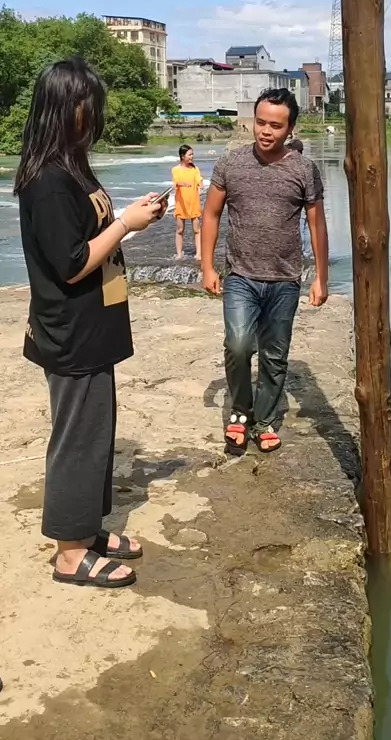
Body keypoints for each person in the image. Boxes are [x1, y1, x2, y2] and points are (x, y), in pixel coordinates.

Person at [14, 57, 168, 589]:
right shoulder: (49, 181)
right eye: (89, 105)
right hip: (70, 332)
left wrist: (130, 215)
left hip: (92, 328)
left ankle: (86, 530)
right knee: (77, 439)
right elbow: (73, 262)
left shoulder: (72, 168)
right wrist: (127, 224)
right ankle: (69, 553)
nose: (96, 114)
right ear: (65, 109)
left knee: (97, 434)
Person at [201, 88, 328, 456]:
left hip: (285, 280)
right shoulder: (231, 164)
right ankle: (241, 410)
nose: (266, 131)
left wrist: (321, 277)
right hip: (240, 276)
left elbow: (317, 224)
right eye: (260, 122)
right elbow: (211, 214)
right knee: (238, 344)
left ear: (290, 129)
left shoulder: (303, 169)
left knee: (274, 354)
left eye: (276, 125)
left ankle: (265, 419)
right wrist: (207, 266)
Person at [171, 144, 203, 261]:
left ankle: (199, 253)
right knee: (180, 230)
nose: (192, 156)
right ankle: (179, 254)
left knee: (197, 230)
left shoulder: (195, 169)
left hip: (194, 203)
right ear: (182, 156)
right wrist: (183, 184)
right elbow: (176, 183)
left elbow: (199, 180)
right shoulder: (175, 170)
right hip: (181, 204)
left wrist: (201, 185)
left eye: (192, 154)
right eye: (189, 154)